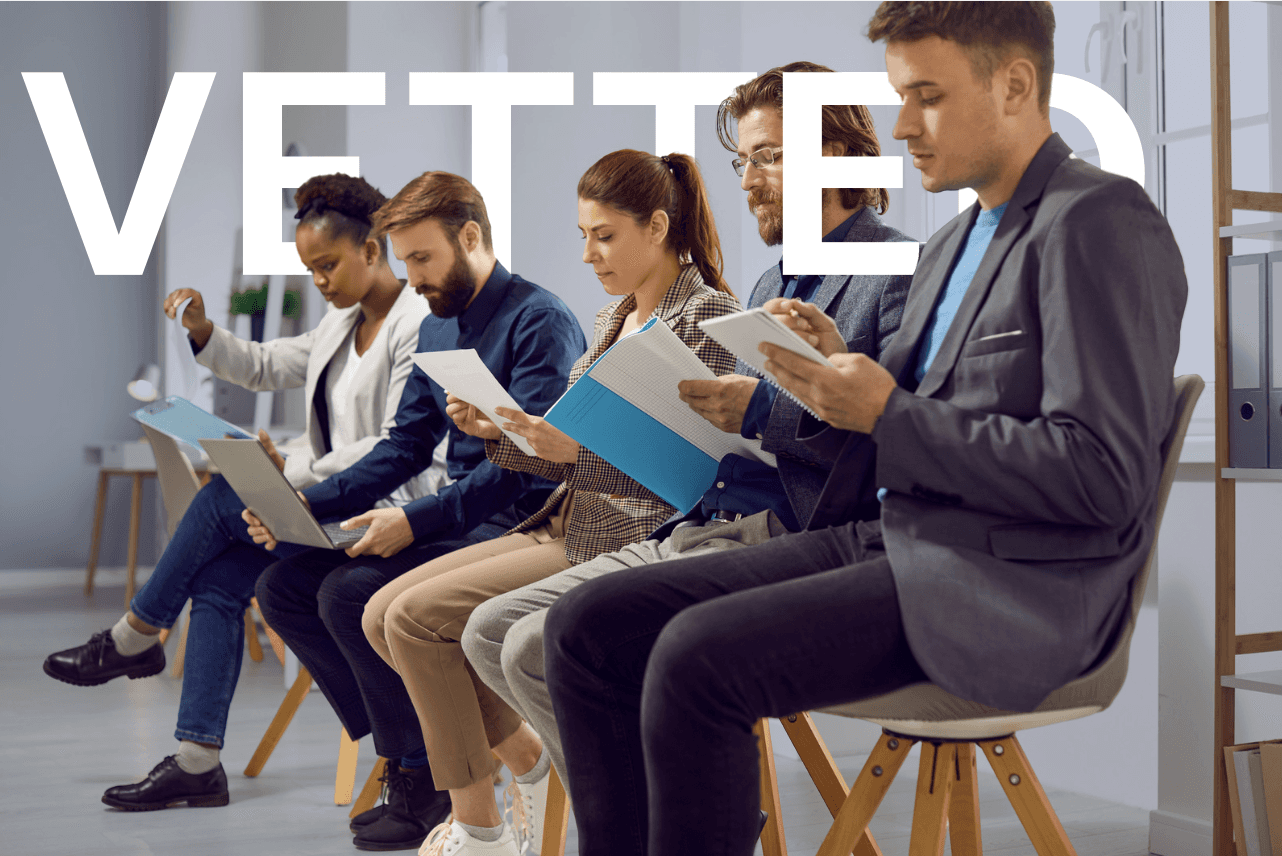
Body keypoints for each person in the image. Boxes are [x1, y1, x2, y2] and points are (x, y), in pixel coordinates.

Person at [541, 3, 1190, 855]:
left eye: (927, 96)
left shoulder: (1097, 221)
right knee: (584, 626)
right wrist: (831, 376)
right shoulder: (954, 244)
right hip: (885, 540)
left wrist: (886, 410)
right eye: (900, 96)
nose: (904, 126)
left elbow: (1100, 476)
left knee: (694, 657)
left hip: (1009, 586)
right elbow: (908, 426)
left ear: (1015, 85)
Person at [460, 60, 915, 797]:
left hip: (795, 537)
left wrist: (759, 411)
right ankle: (648, 820)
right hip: (708, 516)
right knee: (492, 635)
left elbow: (891, 443)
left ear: (833, 156)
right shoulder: (770, 282)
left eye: (768, 156)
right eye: (744, 161)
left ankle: (659, 823)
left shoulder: (893, 273)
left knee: (537, 644)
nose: (748, 180)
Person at [359, 148, 742, 856]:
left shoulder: (707, 316)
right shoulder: (612, 318)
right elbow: (568, 451)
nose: (589, 254)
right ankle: (528, 763)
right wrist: (501, 431)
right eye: (584, 236)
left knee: (413, 620)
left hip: (629, 534)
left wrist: (569, 451)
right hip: (565, 517)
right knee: (380, 614)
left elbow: (697, 475)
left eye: (605, 236)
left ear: (658, 227)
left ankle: (481, 825)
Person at [42, 173, 449, 812]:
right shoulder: (341, 323)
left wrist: (292, 469)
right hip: (327, 505)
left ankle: (136, 636)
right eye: (310, 269)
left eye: (328, 264)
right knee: (220, 579)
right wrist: (204, 331)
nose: (320, 281)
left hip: (381, 512)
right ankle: (197, 763)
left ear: (373, 249)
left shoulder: (416, 325)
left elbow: (393, 446)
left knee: (217, 501)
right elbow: (265, 364)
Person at [249, 171, 586, 852]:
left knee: (348, 593)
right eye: (405, 261)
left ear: (471, 237)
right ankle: (427, 750)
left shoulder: (540, 321)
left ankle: (423, 774)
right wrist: (304, 504)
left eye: (423, 258)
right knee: (283, 587)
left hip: (518, 521)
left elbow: (526, 467)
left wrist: (416, 521)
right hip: (459, 516)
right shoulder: (435, 328)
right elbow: (405, 445)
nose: (413, 278)